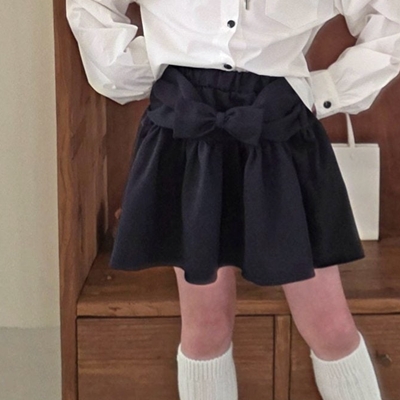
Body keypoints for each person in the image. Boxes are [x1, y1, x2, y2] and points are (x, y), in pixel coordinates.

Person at [66, 1, 400, 399]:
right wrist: (142, 62)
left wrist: (327, 90)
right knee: (205, 327)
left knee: (329, 325)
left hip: (277, 127)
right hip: (185, 126)